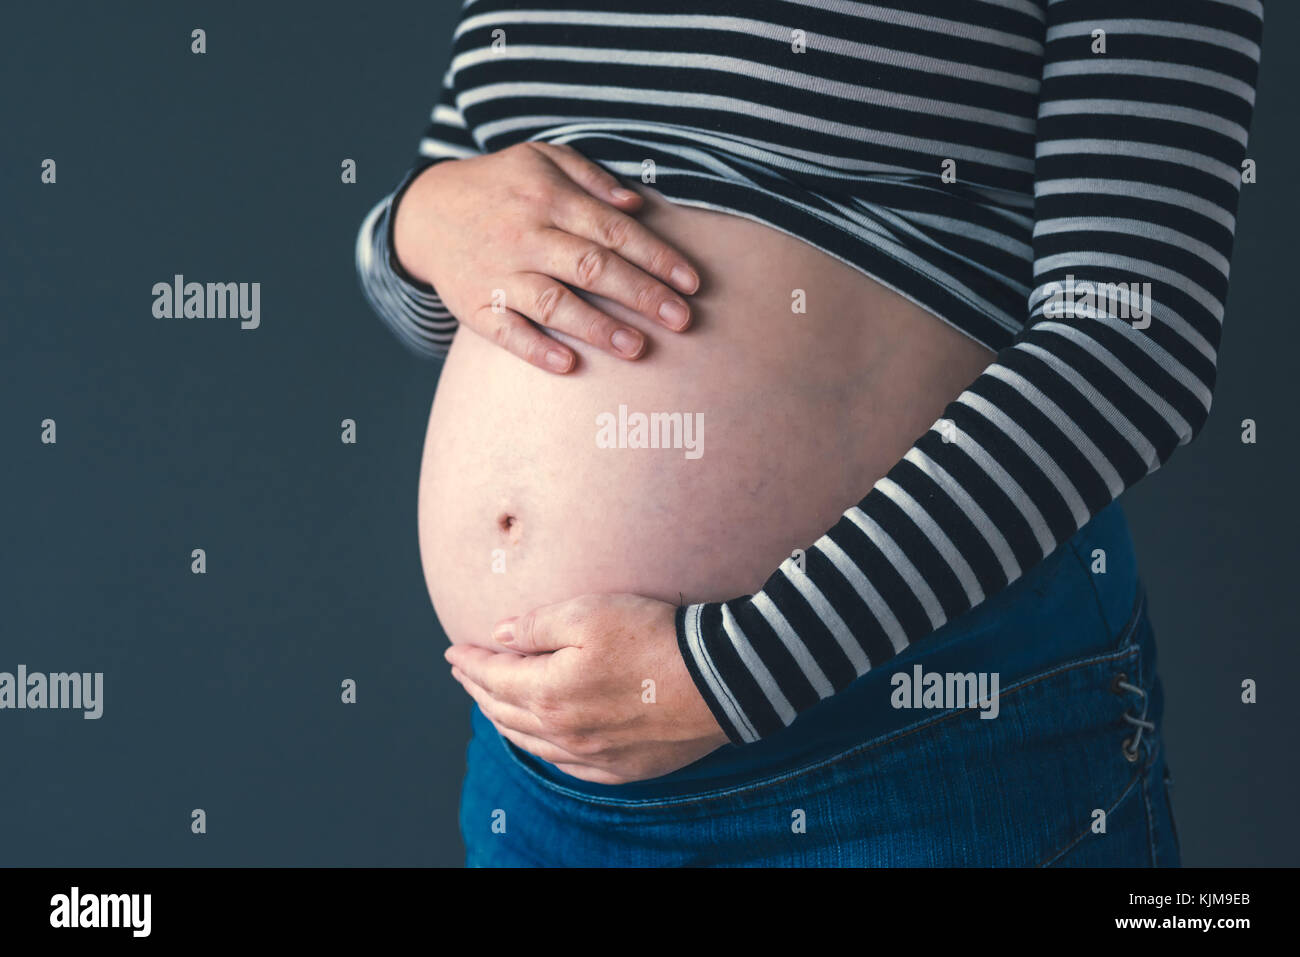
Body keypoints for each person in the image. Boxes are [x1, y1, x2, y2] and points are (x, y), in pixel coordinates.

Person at [356, 0, 1263, 866]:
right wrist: (417, 221)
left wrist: (734, 673)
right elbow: (462, 262)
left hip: (911, 745)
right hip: (549, 779)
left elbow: (1132, 341)